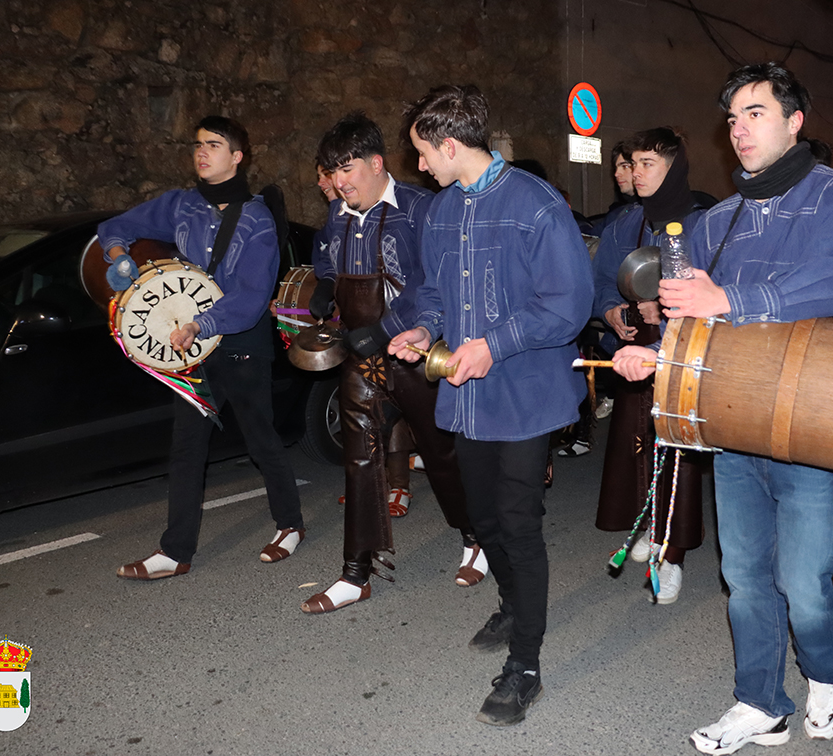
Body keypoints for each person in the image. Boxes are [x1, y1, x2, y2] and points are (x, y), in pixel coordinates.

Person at [614, 63, 833, 753]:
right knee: (745, 577)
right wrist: (657, 356)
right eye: (732, 118)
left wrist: (729, 299)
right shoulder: (717, 219)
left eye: (756, 113)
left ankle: (826, 674)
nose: (739, 129)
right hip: (733, 418)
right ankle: (761, 702)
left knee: (804, 579)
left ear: (795, 122)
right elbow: (689, 315)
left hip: (811, 417)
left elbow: (831, 284)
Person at [388, 84, 593, 726]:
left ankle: (525, 666)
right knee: (482, 518)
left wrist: (493, 344)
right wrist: (423, 327)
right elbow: (432, 291)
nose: (420, 165)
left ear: (450, 145)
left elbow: (568, 305)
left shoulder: (537, 205)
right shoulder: (441, 211)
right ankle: (512, 603)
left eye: (424, 152)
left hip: (527, 393)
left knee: (517, 522)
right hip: (467, 394)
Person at [102, 115, 305, 580]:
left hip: (239, 340)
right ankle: (175, 551)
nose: (202, 152)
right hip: (191, 346)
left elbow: (252, 296)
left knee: (260, 439)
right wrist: (119, 257)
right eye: (198, 144)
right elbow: (116, 225)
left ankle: (290, 523)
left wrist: (200, 323)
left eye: (214, 145)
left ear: (237, 157)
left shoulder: (257, 219)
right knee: (187, 447)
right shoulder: (181, 205)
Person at [300, 111, 485, 615]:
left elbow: (434, 281)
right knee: (359, 460)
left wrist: (386, 329)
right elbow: (326, 256)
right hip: (360, 357)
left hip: (416, 354)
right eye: (332, 172)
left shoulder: (423, 208)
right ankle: (355, 573)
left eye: (347, 169)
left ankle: (476, 537)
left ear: (377, 163)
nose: (339, 182)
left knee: (441, 454)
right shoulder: (338, 213)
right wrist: (324, 284)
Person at [592, 127, 708, 605]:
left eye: (647, 164)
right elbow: (600, 280)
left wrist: (668, 310)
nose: (635, 174)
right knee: (637, 445)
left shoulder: (704, 223)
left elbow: (714, 291)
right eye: (632, 164)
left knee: (675, 450)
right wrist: (610, 312)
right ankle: (649, 524)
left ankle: (672, 552)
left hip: (681, 353)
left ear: (673, 168)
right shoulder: (625, 222)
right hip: (634, 350)